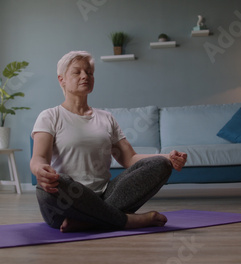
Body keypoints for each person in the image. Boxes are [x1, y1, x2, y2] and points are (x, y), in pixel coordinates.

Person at [30, 51, 187, 233]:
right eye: (77, 72)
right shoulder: (49, 116)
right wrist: (39, 170)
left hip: (107, 196)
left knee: (161, 164)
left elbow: (130, 159)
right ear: (61, 79)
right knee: (57, 182)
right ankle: (127, 221)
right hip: (68, 200)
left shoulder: (106, 118)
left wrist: (167, 157)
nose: (85, 76)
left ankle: (90, 221)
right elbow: (39, 158)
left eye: (89, 72)